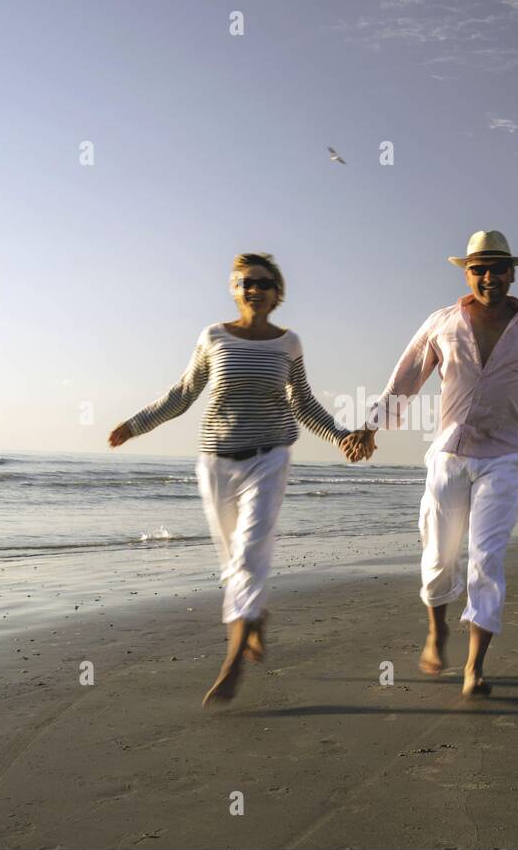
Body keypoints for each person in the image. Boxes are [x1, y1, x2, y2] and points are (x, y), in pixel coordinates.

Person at [108, 252, 372, 706]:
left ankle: (231, 664)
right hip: (216, 461)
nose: (254, 289)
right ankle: (253, 616)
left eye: (264, 283)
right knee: (232, 561)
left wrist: (341, 437)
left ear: (278, 293)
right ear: (235, 289)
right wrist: (136, 425)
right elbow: (184, 393)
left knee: (249, 556)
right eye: (246, 282)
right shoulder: (212, 337)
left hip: (269, 459)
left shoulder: (288, 344)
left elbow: (303, 404)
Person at [345, 231, 518, 698]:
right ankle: (437, 631)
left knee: (487, 559)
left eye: (497, 268)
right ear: (467, 273)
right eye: (479, 269)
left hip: (505, 457)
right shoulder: (442, 322)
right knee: (437, 557)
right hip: (449, 455)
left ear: (513, 273)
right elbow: (406, 376)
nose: (488, 277)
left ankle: (475, 666)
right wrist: (371, 426)